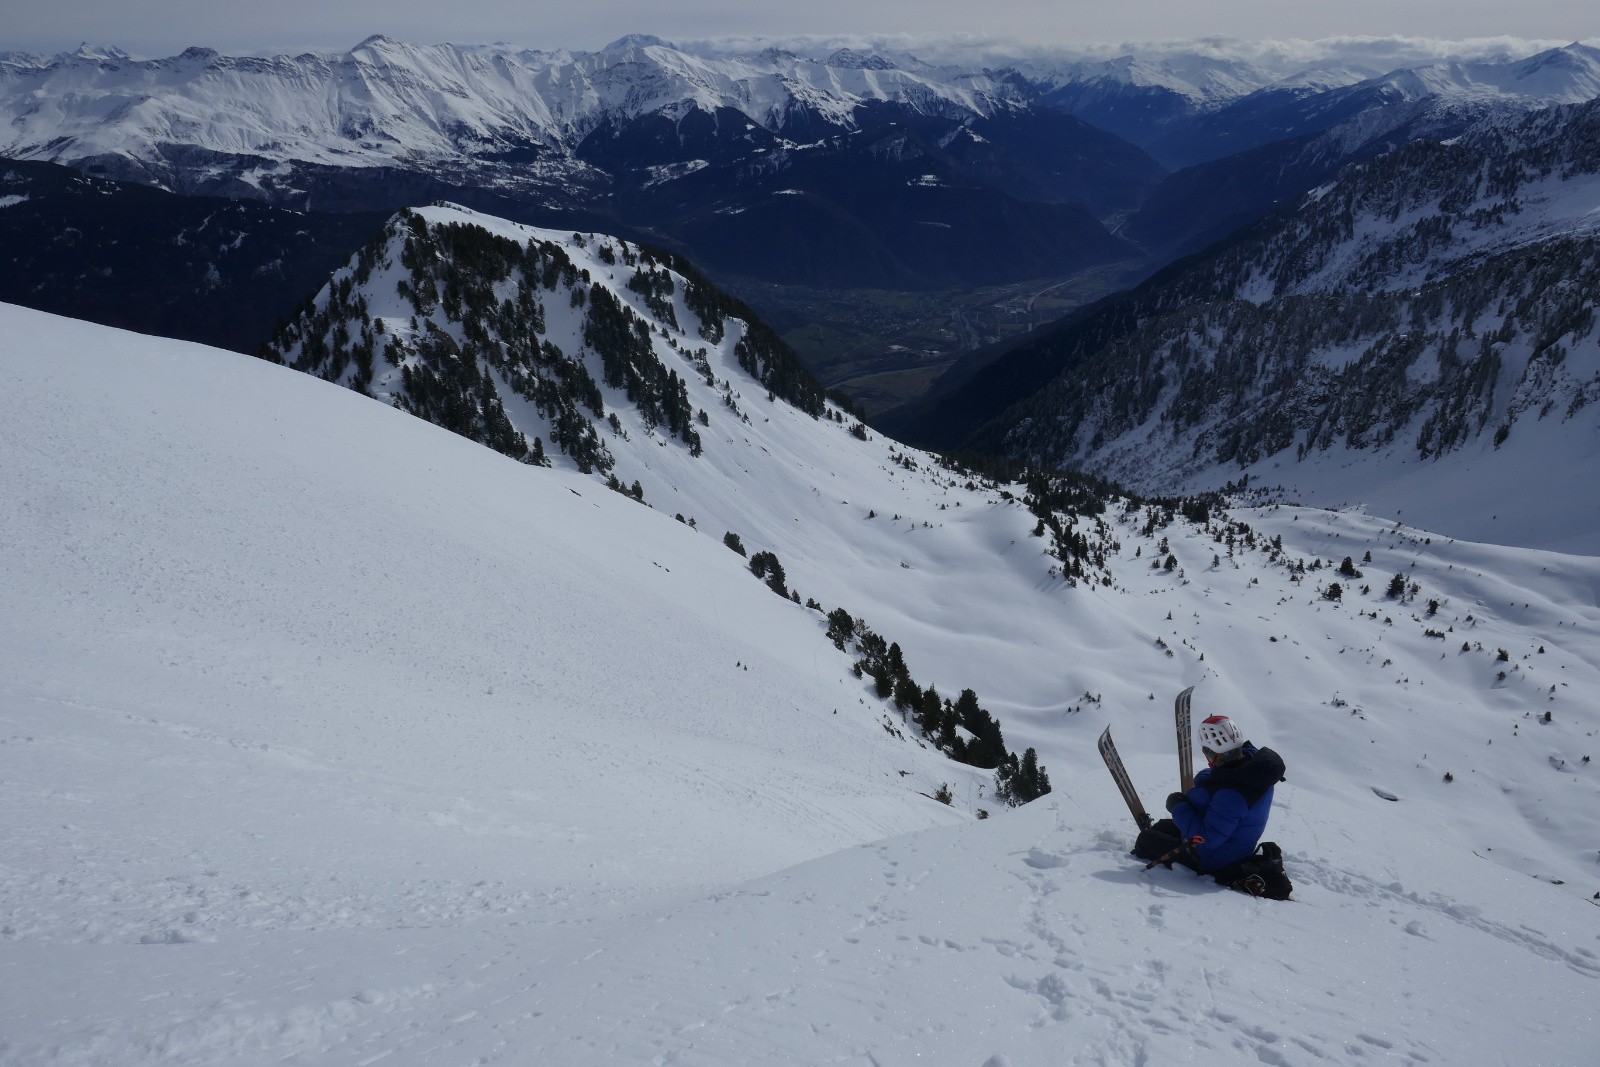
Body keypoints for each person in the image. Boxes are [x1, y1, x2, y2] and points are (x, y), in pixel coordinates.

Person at [1133, 714, 1286, 883]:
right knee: (1161, 826)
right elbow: (1224, 778)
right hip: (1233, 846)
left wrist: (1178, 807)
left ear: (1212, 753)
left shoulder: (1231, 795)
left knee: (1145, 840)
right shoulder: (1254, 769)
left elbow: (1207, 839)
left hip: (1214, 860)